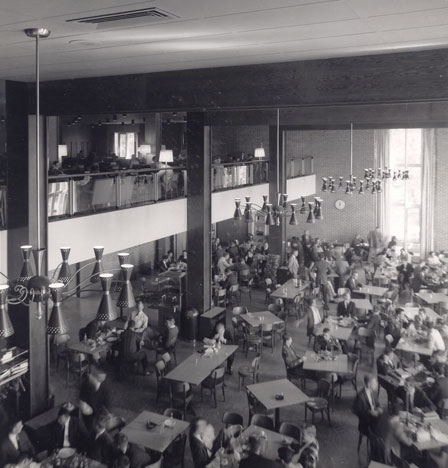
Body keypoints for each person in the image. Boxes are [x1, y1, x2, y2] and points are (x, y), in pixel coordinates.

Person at [353, 375, 382, 450]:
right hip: (366, 424)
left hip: (374, 419)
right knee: (380, 431)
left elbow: (378, 404)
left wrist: (379, 408)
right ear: (369, 385)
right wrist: (369, 412)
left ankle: (380, 446)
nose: (376, 385)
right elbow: (356, 411)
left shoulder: (372, 392)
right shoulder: (361, 396)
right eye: (375, 383)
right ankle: (375, 451)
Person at [79, 365, 112, 430]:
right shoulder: (85, 384)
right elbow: (82, 400)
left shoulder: (106, 389)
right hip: (88, 416)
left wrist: (107, 414)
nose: (88, 375)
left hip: (100, 417)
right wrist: (82, 405)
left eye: (91, 375)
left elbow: (107, 407)